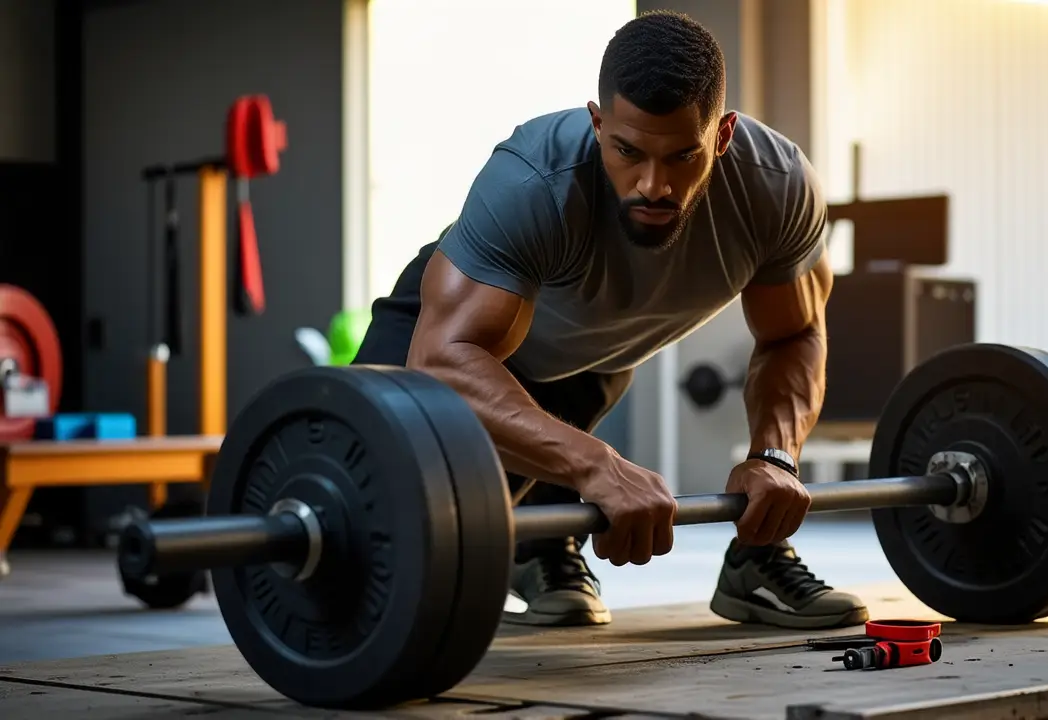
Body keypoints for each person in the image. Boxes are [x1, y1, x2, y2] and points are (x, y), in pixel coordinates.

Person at [353, 10, 867, 631]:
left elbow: (795, 334)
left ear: (724, 135)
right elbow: (441, 360)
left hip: (591, 365)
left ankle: (751, 556)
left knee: (533, 575)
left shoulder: (775, 187)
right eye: (628, 151)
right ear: (598, 124)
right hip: (451, 339)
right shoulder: (534, 180)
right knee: (373, 542)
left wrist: (775, 460)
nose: (654, 185)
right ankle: (535, 542)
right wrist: (596, 466)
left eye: (683, 156)